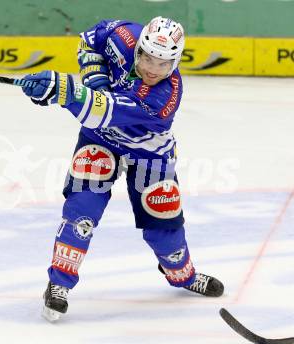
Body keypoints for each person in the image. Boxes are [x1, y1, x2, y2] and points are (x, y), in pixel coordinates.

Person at [20, 16, 224, 322]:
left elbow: (104, 112)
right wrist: (95, 80)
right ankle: (59, 284)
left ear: (176, 62)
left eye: (164, 63)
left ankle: (183, 275)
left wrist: (63, 91)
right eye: (149, 58)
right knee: (81, 211)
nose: (154, 69)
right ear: (139, 47)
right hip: (100, 140)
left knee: (163, 224)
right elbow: (90, 40)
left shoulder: (165, 97)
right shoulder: (123, 35)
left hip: (148, 153)